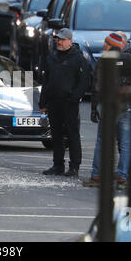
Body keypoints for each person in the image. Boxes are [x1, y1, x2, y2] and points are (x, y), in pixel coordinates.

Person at [83, 32, 131, 190]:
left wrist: (94, 108)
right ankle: (122, 178)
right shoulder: (129, 59)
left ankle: (97, 176)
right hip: (125, 105)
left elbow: (96, 86)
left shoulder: (103, 60)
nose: (104, 46)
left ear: (110, 44)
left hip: (107, 105)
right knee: (126, 143)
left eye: (105, 43)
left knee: (102, 142)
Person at [40, 28, 91, 177]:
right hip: (54, 102)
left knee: (72, 134)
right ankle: (58, 165)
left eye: (62, 40)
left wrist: (74, 98)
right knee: (55, 135)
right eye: (58, 39)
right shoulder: (51, 58)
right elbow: (46, 81)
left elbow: (84, 81)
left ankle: (74, 166)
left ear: (70, 41)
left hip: (69, 103)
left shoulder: (79, 58)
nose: (59, 42)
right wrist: (43, 102)